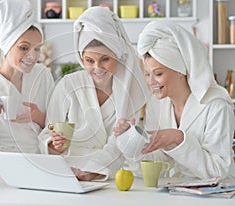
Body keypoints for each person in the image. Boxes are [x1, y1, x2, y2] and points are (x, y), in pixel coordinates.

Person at [38, 6, 150, 181]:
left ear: (118, 56)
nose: (97, 68)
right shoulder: (68, 85)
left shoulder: (130, 91)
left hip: (108, 174)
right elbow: (47, 132)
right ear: (81, 58)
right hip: (67, 173)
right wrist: (54, 145)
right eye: (89, 60)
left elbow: (118, 144)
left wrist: (93, 171)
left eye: (105, 59)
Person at [114, 20, 235, 180]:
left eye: (158, 74)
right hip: (175, 192)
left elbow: (218, 171)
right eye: (147, 74)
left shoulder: (216, 106)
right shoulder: (157, 104)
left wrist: (178, 138)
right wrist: (131, 141)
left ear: (181, 70)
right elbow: (158, 164)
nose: (151, 82)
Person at [0, 0, 54, 170]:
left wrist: (39, 117)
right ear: (5, 45)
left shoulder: (42, 76)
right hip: (3, 172)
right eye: (24, 48)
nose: (32, 56)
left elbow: (57, 127)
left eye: (37, 49)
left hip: (42, 166)